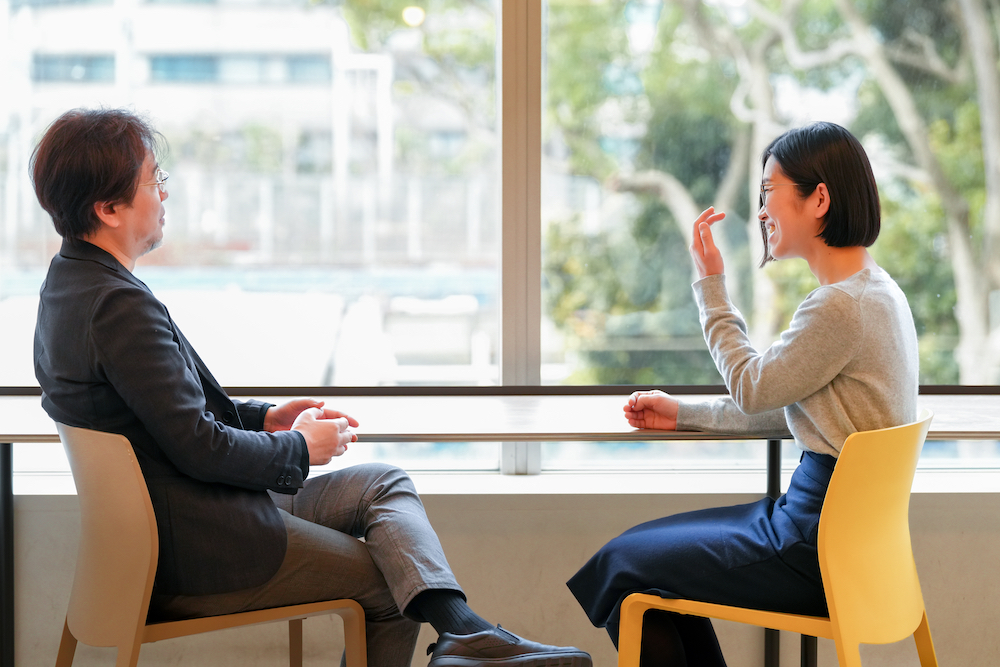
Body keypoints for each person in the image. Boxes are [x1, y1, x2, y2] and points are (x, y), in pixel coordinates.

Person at [31, 108, 592, 667]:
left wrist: (264, 419)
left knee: (383, 482)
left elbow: (162, 415)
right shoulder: (118, 306)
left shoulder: (70, 285)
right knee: (393, 586)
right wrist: (301, 447)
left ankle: (465, 634)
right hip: (204, 547)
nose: (164, 195)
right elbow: (197, 446)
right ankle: (468, 637)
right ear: (108, 208)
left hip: (180, 526)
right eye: (155, 180)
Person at [567, 122, 919, 666]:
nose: (760, 211)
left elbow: (753, 388)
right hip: (847, 540)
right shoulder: (879, 294)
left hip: (812, 543)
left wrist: (710, 285)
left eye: (767, 192)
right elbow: (795, 407)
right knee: (640, 569)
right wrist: (685, 414)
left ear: (818, 198)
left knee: (627, 567)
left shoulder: (840, 307)